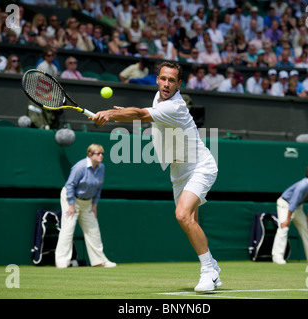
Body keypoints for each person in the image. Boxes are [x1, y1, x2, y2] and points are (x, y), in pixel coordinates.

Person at [90, 62, 221, 292]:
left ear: (179, 84)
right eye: (163, 79)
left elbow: (140, 114)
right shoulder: (158, 98)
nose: (167, 84)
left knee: (182, 215)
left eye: (172, 80)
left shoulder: (176, 106)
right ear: (157, 79)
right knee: (191, 222)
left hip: (201, 166)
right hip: (179, 172)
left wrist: (111, 114)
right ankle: (213, 267)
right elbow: (143, 116)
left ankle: (208, 270)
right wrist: (120, 113)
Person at [55, 144, 117, 269]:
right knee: (68, 229)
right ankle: (62, 261)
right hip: (70, 199)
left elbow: (98, 188)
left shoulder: (101, 168)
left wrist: (94, 205)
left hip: (87, 203)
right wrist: (71, 205)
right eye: (97, 153)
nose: (100, 156)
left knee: (93, 230)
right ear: (90, 154)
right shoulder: (80, 167)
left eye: (102, 154)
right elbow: (70, 185)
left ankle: (99, 261)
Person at [272, 165, 308, 265]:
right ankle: (277, 257)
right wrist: (287, 220)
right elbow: (293, 202)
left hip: (297, 207)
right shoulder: (302, 185)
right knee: (284, 228)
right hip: (285, 204)